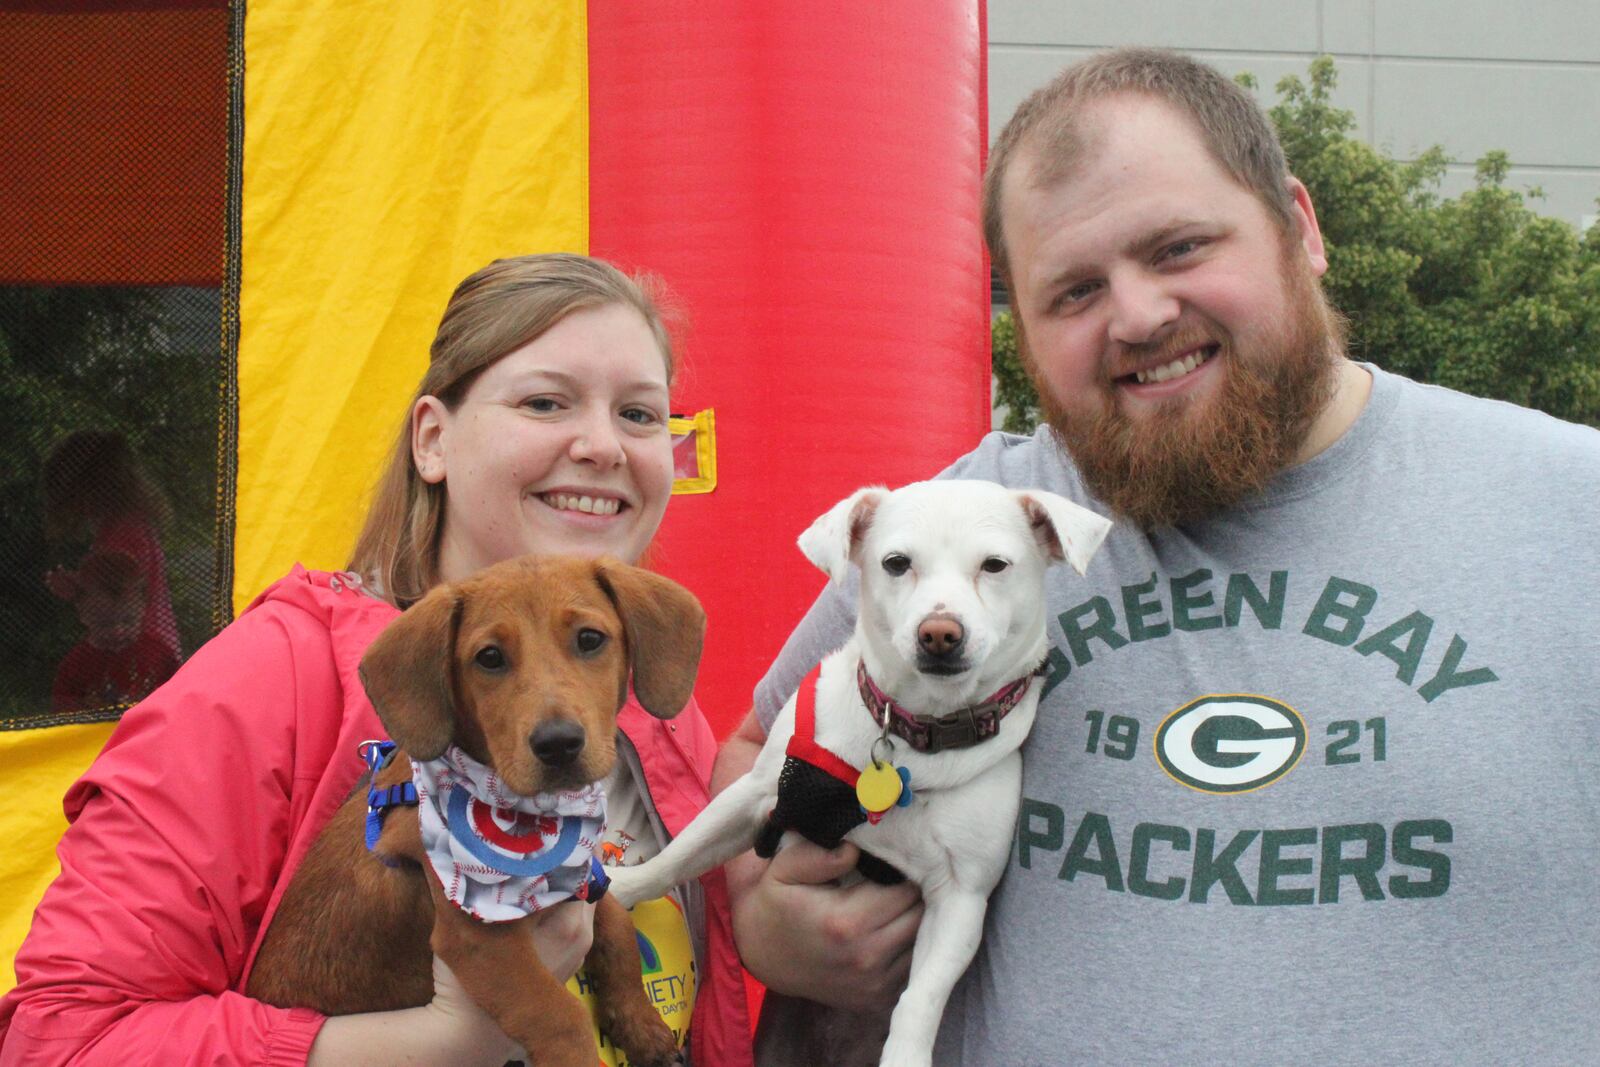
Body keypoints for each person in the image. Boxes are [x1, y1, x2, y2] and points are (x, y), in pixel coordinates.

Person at [719, 48, 1600, 1064]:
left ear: (1299, 229)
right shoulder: (974, 519)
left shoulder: (1567, 504)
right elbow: (755, 749)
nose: (1136, 316)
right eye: (1073, 291)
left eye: (1179, 248)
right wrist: (768, 921)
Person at [1, 254, 753, 1067]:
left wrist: (798, 948)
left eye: (641, 414)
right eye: (546, 401)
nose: (605, 445)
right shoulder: (267, 681)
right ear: (433, 438)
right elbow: (62, 1042)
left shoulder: (646, 700)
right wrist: (440, 1040)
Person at [42, 429, 182, 669]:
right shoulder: (128, 525)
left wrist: (77, 590)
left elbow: (118, 593)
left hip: (137, 652)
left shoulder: (124, 533)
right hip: (147, 645)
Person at [50, 549, 180, 712]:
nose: (118, 631)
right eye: (104, 624)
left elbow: (178, 700)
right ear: (82, 613)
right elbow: (63, 713)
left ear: (143, 609)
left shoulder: (159, 655)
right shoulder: (76, 665)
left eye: (129, 621)